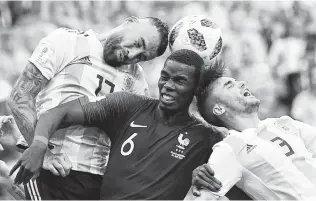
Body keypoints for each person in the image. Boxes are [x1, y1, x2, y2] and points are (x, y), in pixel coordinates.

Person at [11, 50, 224, 200]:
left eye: (179, 81)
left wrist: (202, 175)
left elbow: (244, 162)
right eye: (164, 77)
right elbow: (58, 112)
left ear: (195, 88)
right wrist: (39, 145)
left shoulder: (206, 137)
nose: (167, 86)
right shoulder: (128, 106)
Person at [7, 16, 169, 200]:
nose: (132, 55)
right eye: (137, 43)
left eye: (141, 57)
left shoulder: (138, 82)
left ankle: (5, 178)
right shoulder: (68, 41)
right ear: (129, 22)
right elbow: (20, 97)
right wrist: (45, 155)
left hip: (97, 183)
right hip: (51, 170)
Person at [187, 60, 316, 200]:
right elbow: (203, 197)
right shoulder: (229, 148)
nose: (241, 83)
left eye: (236, 81)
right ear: (219, 109)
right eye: (229, 86)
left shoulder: (283, 122)